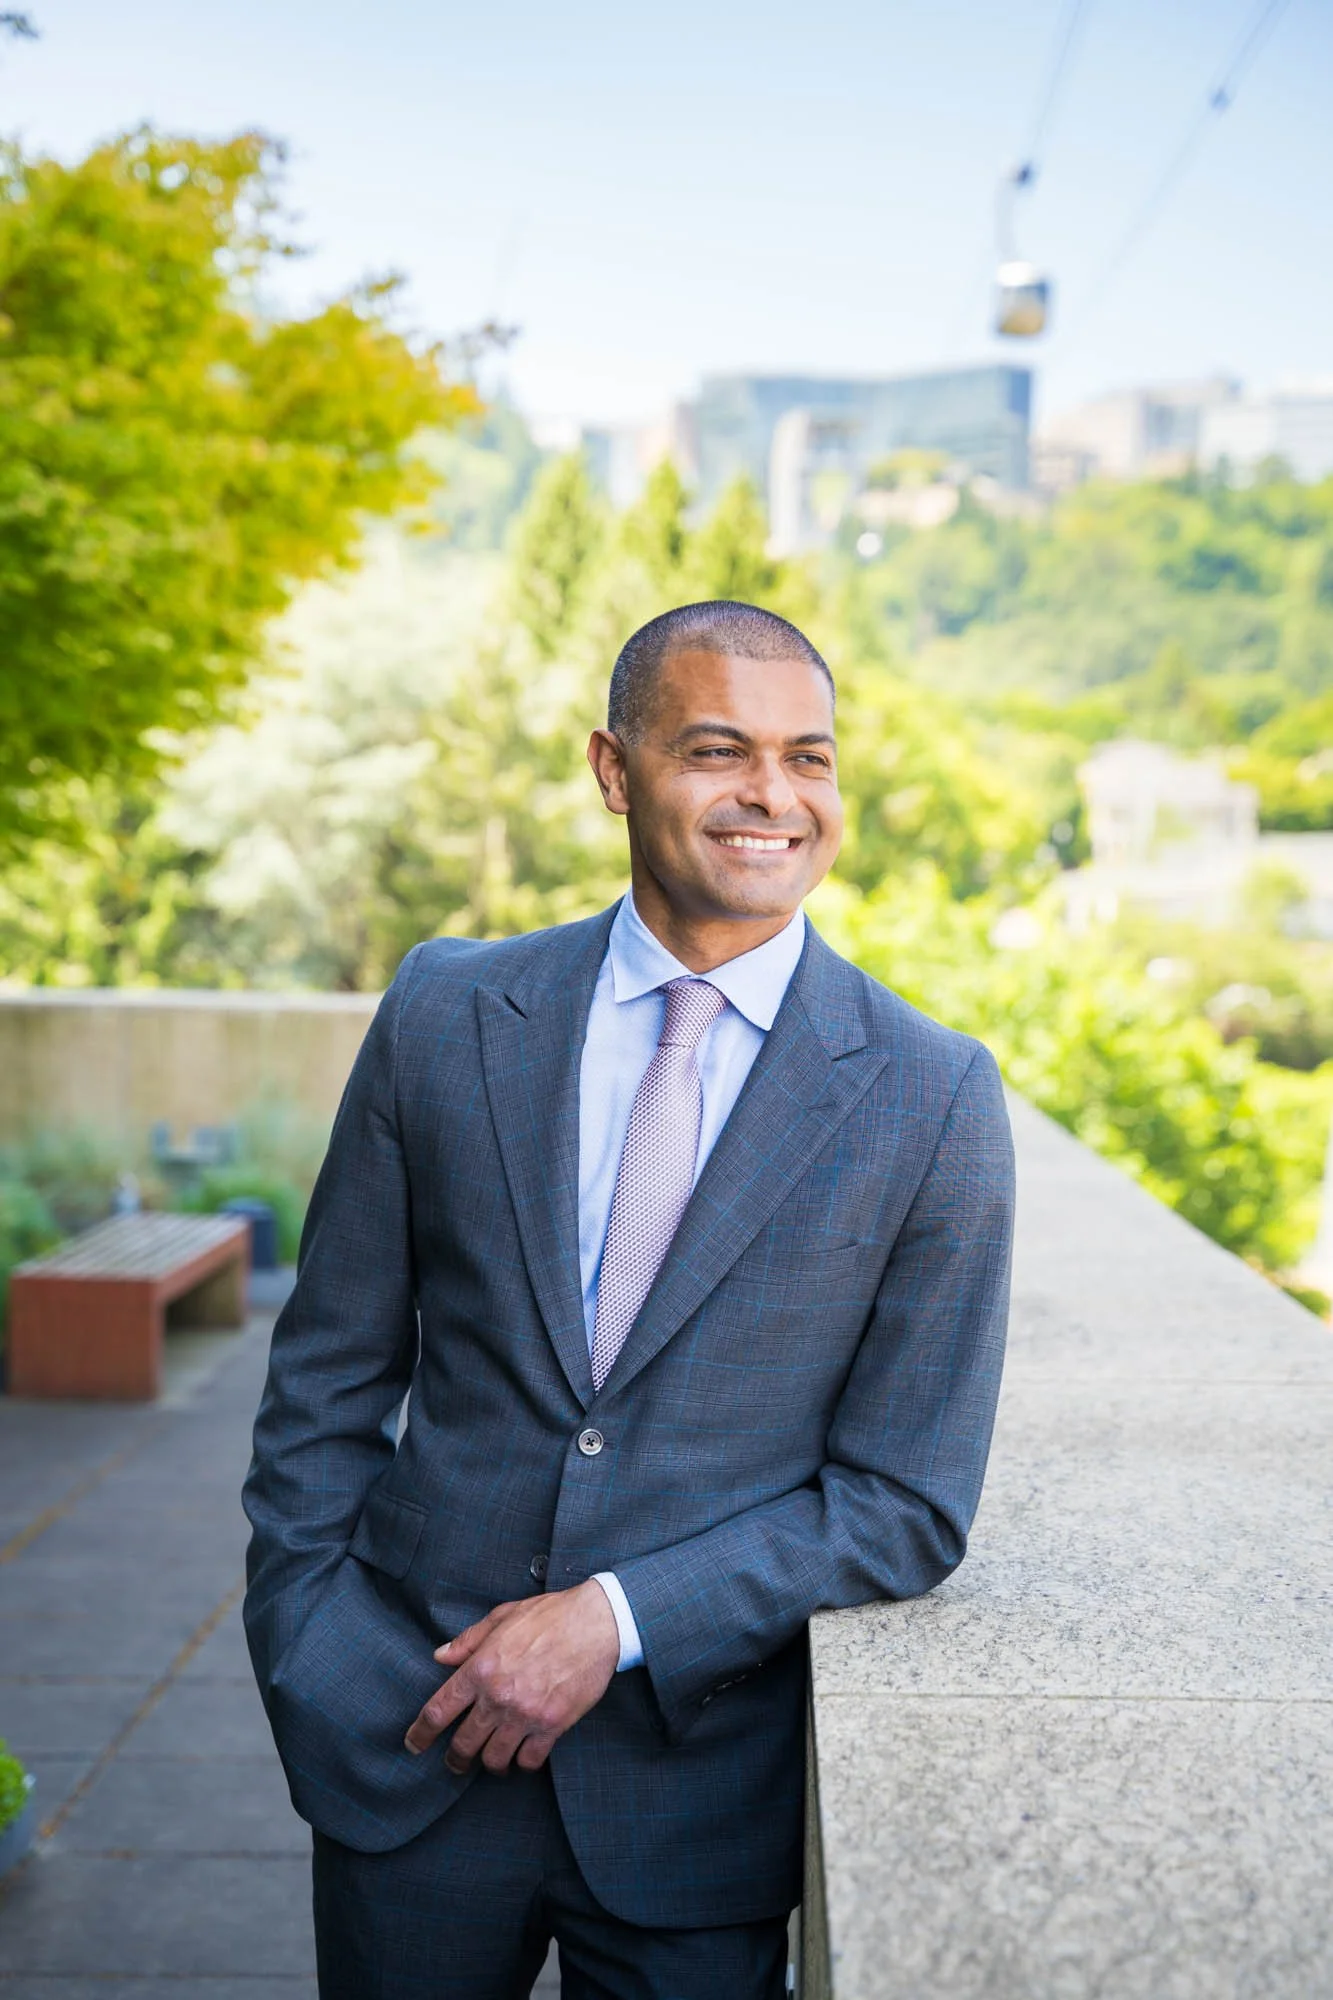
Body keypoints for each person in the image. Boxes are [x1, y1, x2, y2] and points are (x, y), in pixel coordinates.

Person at [243, 599, 1015, 2000]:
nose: (772, 796)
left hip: (694, 1797)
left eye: (811, 758)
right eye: (718, 749)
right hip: (403, 1741)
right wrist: (308, 1644)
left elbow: (908, 1499)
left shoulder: (930, 1094)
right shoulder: (447, 1011)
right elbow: (328, 1373)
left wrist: (614, 1615)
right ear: (615, 770)